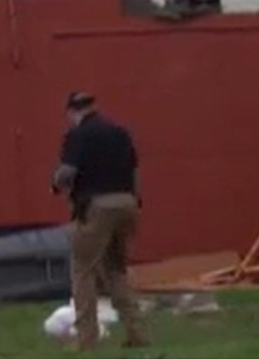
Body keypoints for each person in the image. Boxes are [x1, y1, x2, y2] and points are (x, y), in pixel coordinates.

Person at [51, 92, 147, 352]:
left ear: (72, 112)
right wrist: (135, 204)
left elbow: (67, 173)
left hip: (97, 207)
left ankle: (87, 341)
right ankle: (137, 333)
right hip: (126, 204)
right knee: (117, 270)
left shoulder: (77, 135)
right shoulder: (120, 133)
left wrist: (55, 183)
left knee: (83, 272)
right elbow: (135, 172)